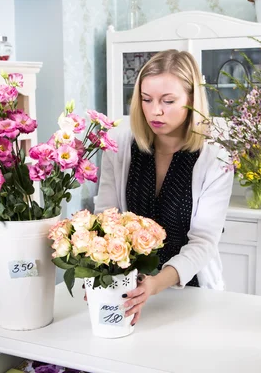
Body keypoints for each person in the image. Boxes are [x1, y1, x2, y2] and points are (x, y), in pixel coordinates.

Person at [94, 49, 234, 325]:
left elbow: (204, 241)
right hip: (127, 289)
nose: (155, 111)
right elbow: (106, 218)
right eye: (146, 99)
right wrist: (101, 276)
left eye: (168, 101)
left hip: (191, 292)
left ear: (192, 99)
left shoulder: (216, 155)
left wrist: (155, 284)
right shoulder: (120, 143)